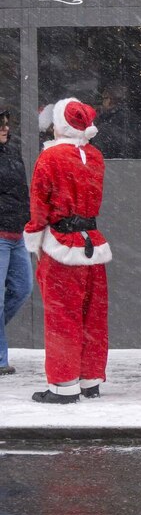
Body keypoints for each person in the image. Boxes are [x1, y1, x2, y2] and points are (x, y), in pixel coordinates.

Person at [25, 99, 113, 403]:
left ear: (59, 125)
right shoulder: (96, 157)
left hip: (61, 245)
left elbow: (39, 206)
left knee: (62, 316)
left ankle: (63, 385)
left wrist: (35, 239)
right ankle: (90, 380)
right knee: (93, 315)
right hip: (93, 244)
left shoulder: (50, 159)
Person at [0, 106, 32, 377]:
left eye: (7, 123)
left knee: (22, 289)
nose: (5, 128)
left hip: (16, 234)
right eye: (0, 124)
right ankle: (0, 359)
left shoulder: (12, 150)